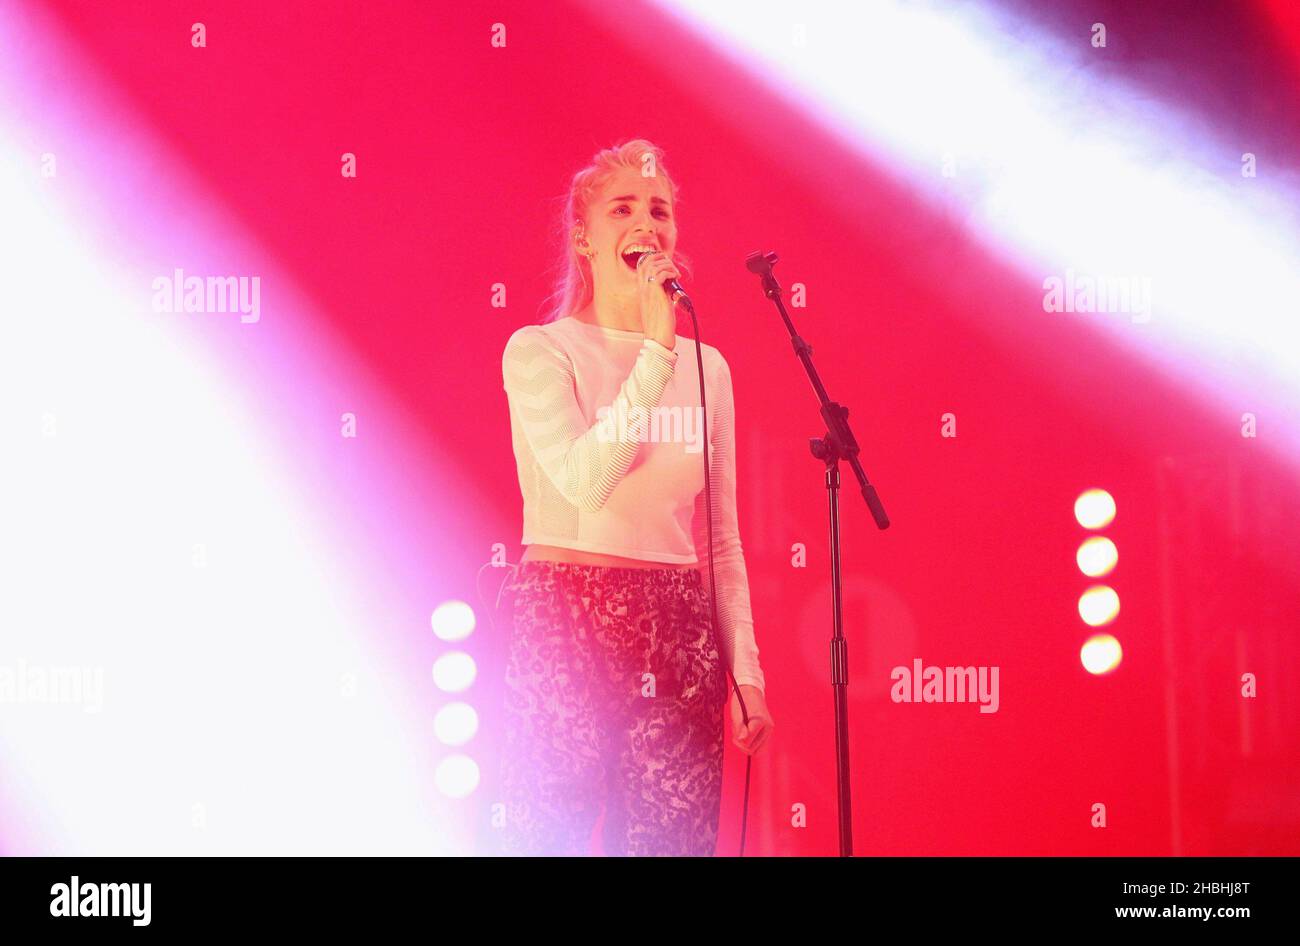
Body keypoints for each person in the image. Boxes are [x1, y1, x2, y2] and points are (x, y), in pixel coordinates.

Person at [497, 138, 773, 856]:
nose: (647, 224)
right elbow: (588, 483)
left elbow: (721, 538)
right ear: (584, 236)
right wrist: (654, 353)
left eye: (660, 210)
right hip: (565, 615)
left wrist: (746, 669)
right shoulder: (540, 351)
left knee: (673, 846)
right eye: (623, 209)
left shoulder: (708, 366)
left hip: (678, 626)